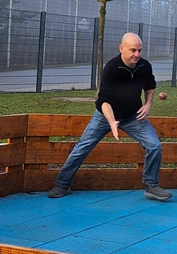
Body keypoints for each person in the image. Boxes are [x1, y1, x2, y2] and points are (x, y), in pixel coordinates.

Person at [48, 32, 170, 201]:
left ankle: (151, 186)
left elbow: (150, 86)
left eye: (140, 50)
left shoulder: (145, 66)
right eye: (133, 50)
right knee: (82, 147)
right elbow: (104, 100)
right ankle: (63, 184)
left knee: (154, 146)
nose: (137, 54)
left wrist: (148, 104)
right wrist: (112, 122)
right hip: (105, 116)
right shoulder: (112, 68)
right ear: (121, 49)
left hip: (133, 116)